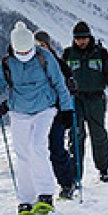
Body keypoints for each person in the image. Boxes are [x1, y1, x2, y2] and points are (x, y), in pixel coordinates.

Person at [0, 21, 74, 215]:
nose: (24, 56)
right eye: (20, 53)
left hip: (45, 108)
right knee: (22, 154)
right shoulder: (7, 63)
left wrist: (66, 109)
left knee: (38, 146)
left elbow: (59, 84)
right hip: (19, 111)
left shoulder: (45, 57)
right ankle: (26, 200)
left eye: (27, 52)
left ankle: (45, 194)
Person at [62, 21, 108, 183]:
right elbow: (61, 77)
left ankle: (104, 169)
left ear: (89, 37)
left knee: (98, 134)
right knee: (76, 135)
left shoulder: (100, 53)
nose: (81, 41)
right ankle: (75, 173)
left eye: (84, 38)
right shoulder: (68, 55)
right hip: (75, 99)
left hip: (96, 98)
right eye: (78, 38)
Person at [33, 30, 79, 200]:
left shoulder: (57, 63)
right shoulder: (32, 64)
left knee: (56, 148)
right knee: (37, 150)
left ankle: (67, 183)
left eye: (42, 45)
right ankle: (42, 187)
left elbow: (69, 79)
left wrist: (71, 86)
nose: (40, 48)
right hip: (38, 113)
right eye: (37, 45)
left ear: (48, 45)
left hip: (57, 112)